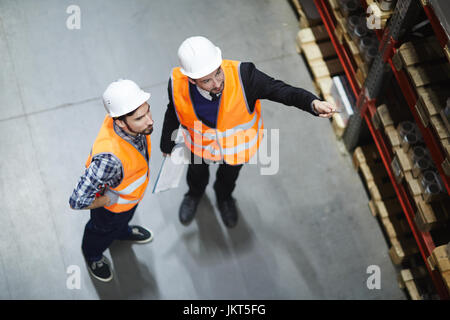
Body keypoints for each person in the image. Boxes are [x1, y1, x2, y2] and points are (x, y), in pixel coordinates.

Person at [160, 36, 336, 228]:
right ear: (192, 80)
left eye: (218, 73)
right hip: (200, 148)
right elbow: (173, 111)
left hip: (237, 149)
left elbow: (281, 91)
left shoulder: (244, 76)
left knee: (228, 179)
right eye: (206, 81)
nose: (217, 83)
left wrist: (312, 103)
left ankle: (224, 199)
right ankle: (194, 194)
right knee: (196, 174)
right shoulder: (177, 84)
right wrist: (166, 144)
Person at [69, 79, 154, 282]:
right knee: (100, 232)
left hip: (129, 201)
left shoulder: (127, 123)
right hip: (111, 210)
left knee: (121, 223)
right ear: (120, 122)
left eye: (148, 111)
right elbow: (77, 200)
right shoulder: (110, 160)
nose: (150, 121)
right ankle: (93, 255)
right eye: (140, 118)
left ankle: (121, 232)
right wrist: (104, 202)